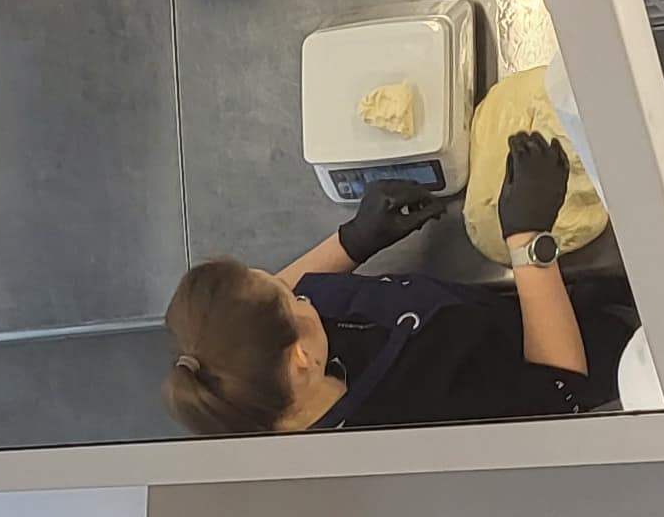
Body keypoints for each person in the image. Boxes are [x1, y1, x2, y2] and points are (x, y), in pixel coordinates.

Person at [162, 133, 637, 435]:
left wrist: (351, 241)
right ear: (301, 360)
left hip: (497, 317)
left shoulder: (245, 379)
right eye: (291, 296)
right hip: (586, 356)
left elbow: (264, 314)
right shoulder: (417, 417)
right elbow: (560, 396)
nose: (296, 285)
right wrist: (529, 240)